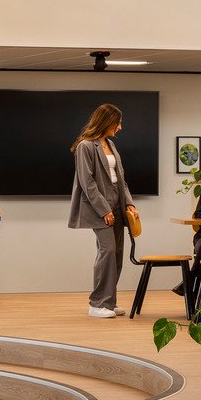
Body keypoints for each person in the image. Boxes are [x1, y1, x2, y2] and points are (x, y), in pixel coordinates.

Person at [68, 104, 137, 319]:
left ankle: (109, 301)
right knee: (106, 252)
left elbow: (121, 179)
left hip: (117, 206)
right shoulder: (85, 146)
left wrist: (129, 203)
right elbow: (87, 182)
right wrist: (104, 210)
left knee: (116, 254)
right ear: (106, 122)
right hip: (100, 208)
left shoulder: (111, 145)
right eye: (117, 123)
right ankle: (97, 303)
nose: (120, 127)